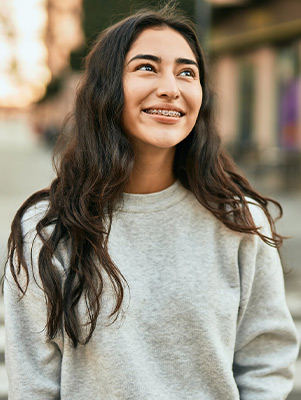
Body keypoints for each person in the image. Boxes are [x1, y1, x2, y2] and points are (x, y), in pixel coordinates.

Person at [3, 4, 299, 400]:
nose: (171, 88)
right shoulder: (48, 230)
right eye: (147, 67)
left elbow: (267, 360)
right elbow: (33, 385)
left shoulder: (240, 220)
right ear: (106, 88)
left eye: (187, 72)